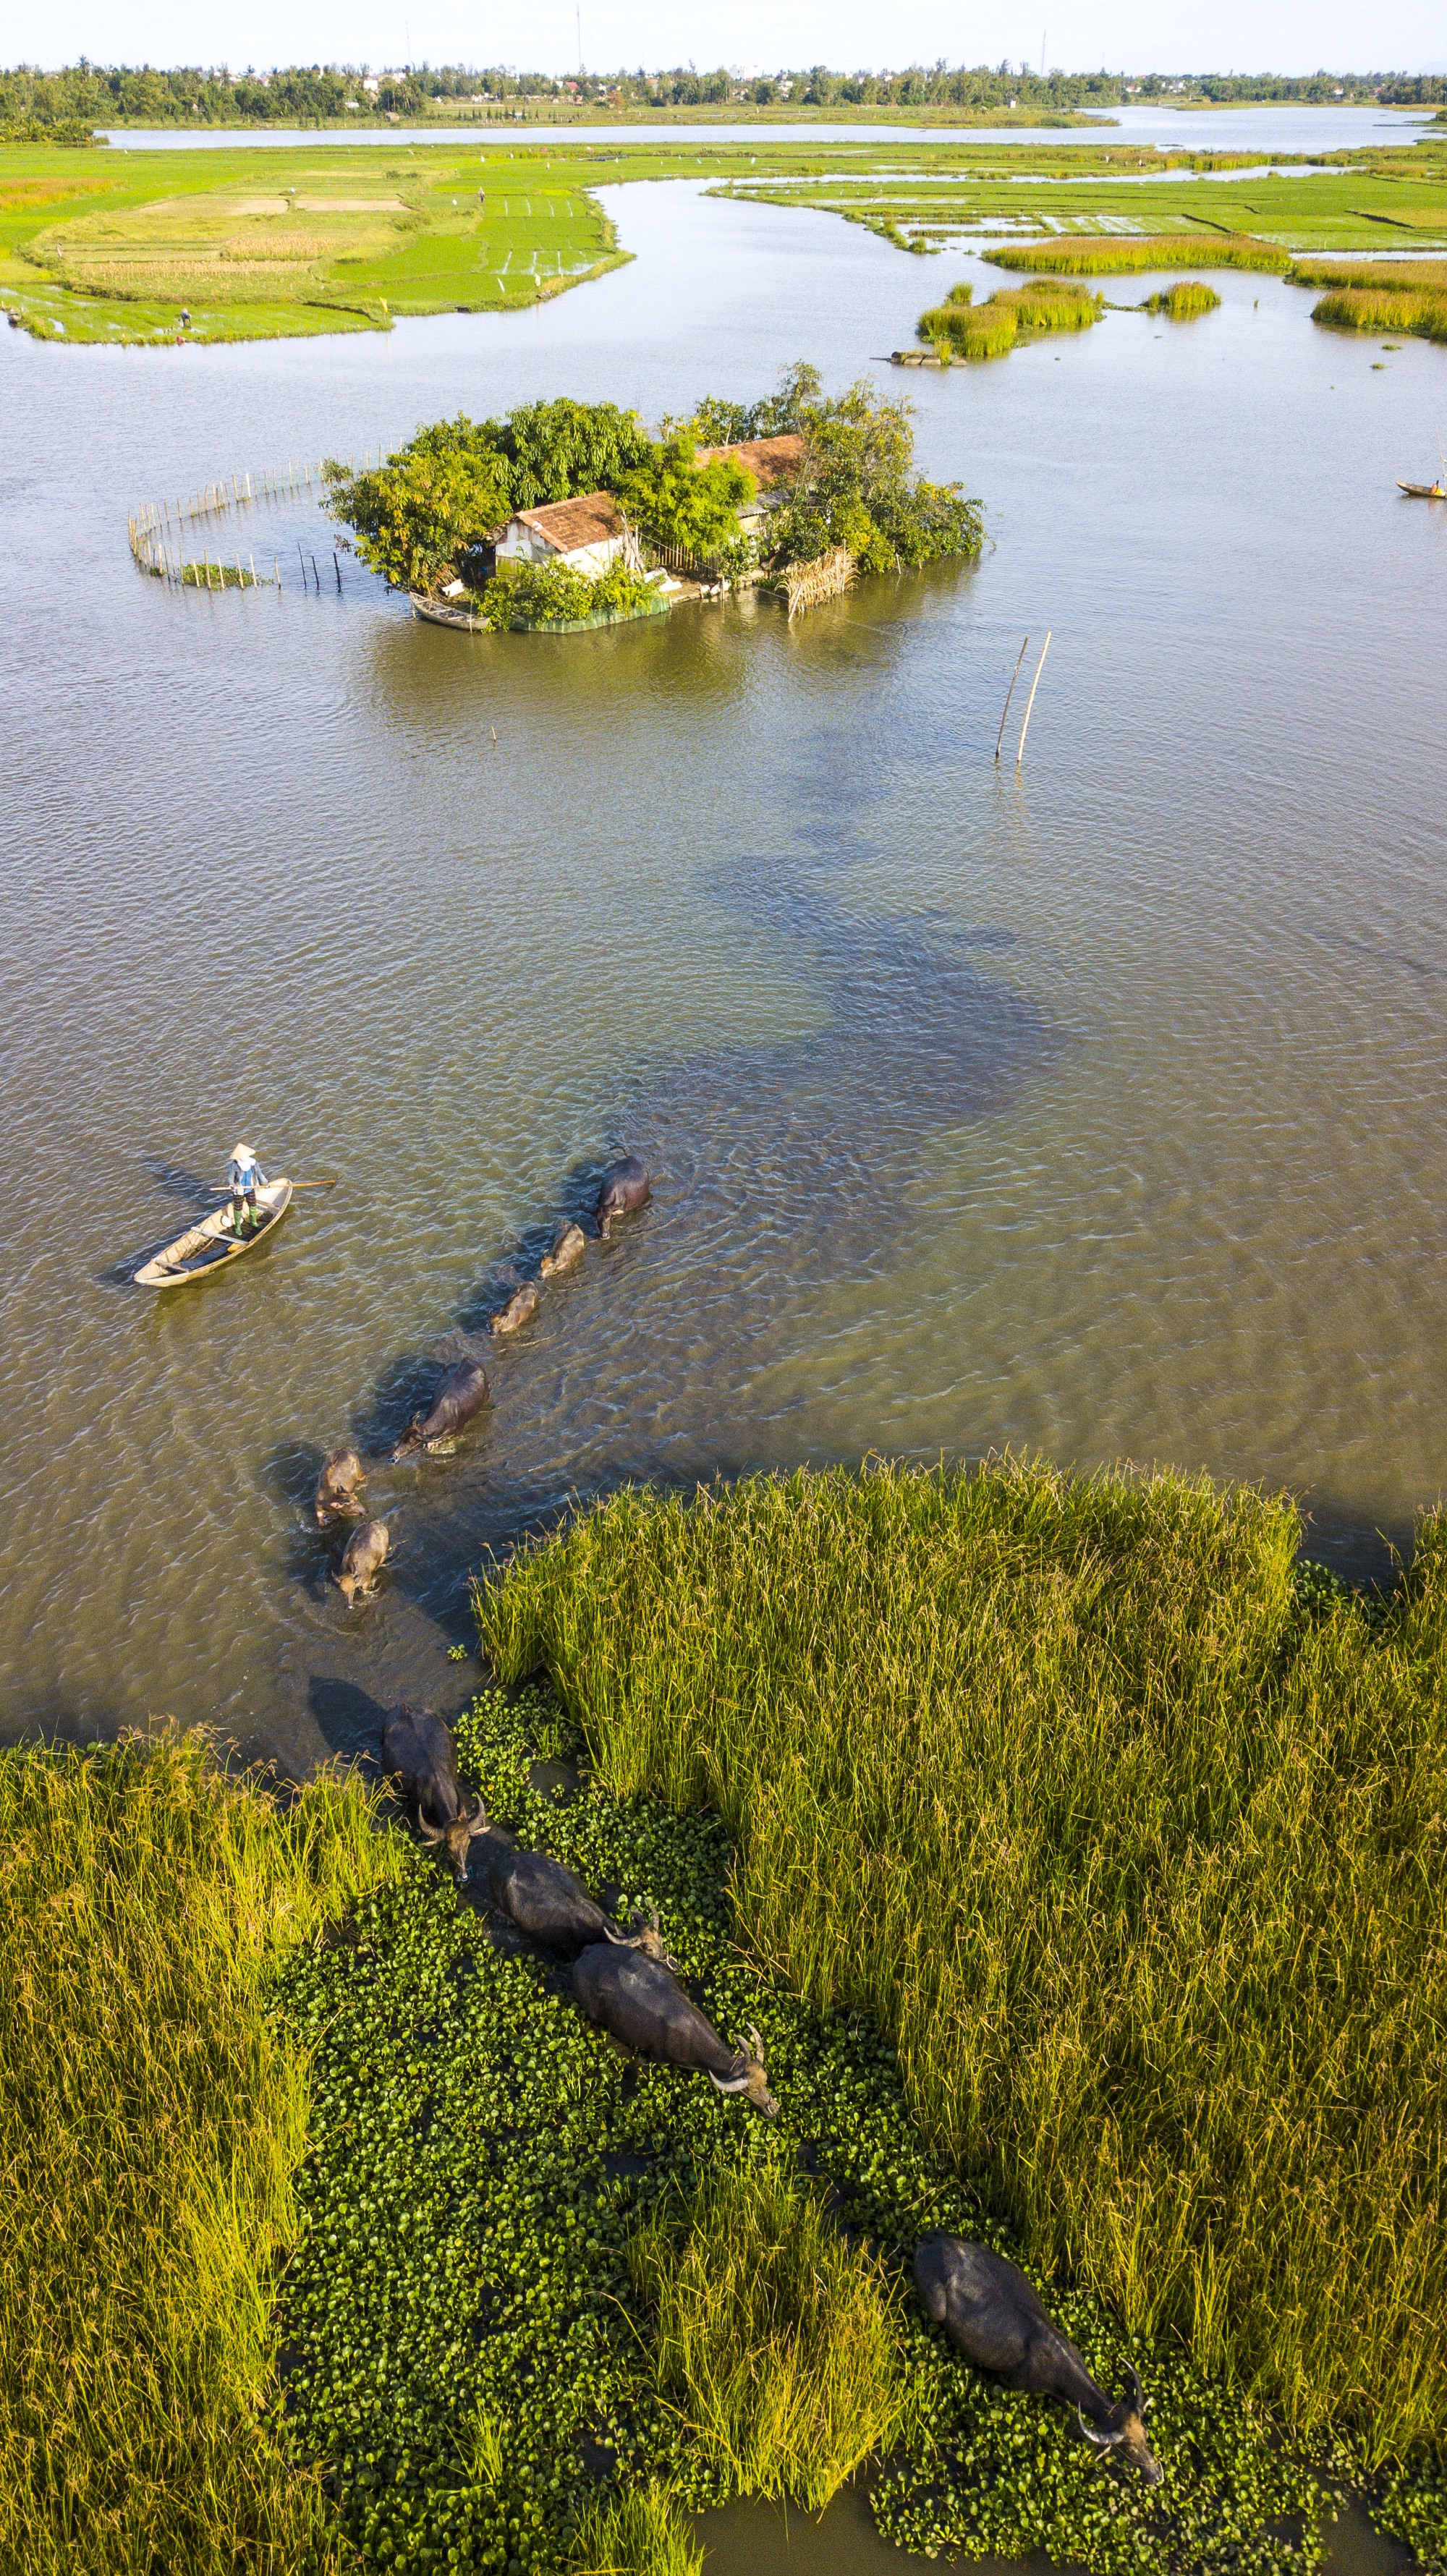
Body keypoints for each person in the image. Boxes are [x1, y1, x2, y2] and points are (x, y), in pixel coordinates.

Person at [226, 1141, 267, 1236]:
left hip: (250, 1187)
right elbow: (230, 1177)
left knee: (253, 1205)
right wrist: (231, 1185)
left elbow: (259, 1174)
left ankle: (254, 1222)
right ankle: (238, 1227)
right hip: (239, 1190)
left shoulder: (253, 1163)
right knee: (238, 1208)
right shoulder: (234, 1165)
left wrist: (265, 1183)